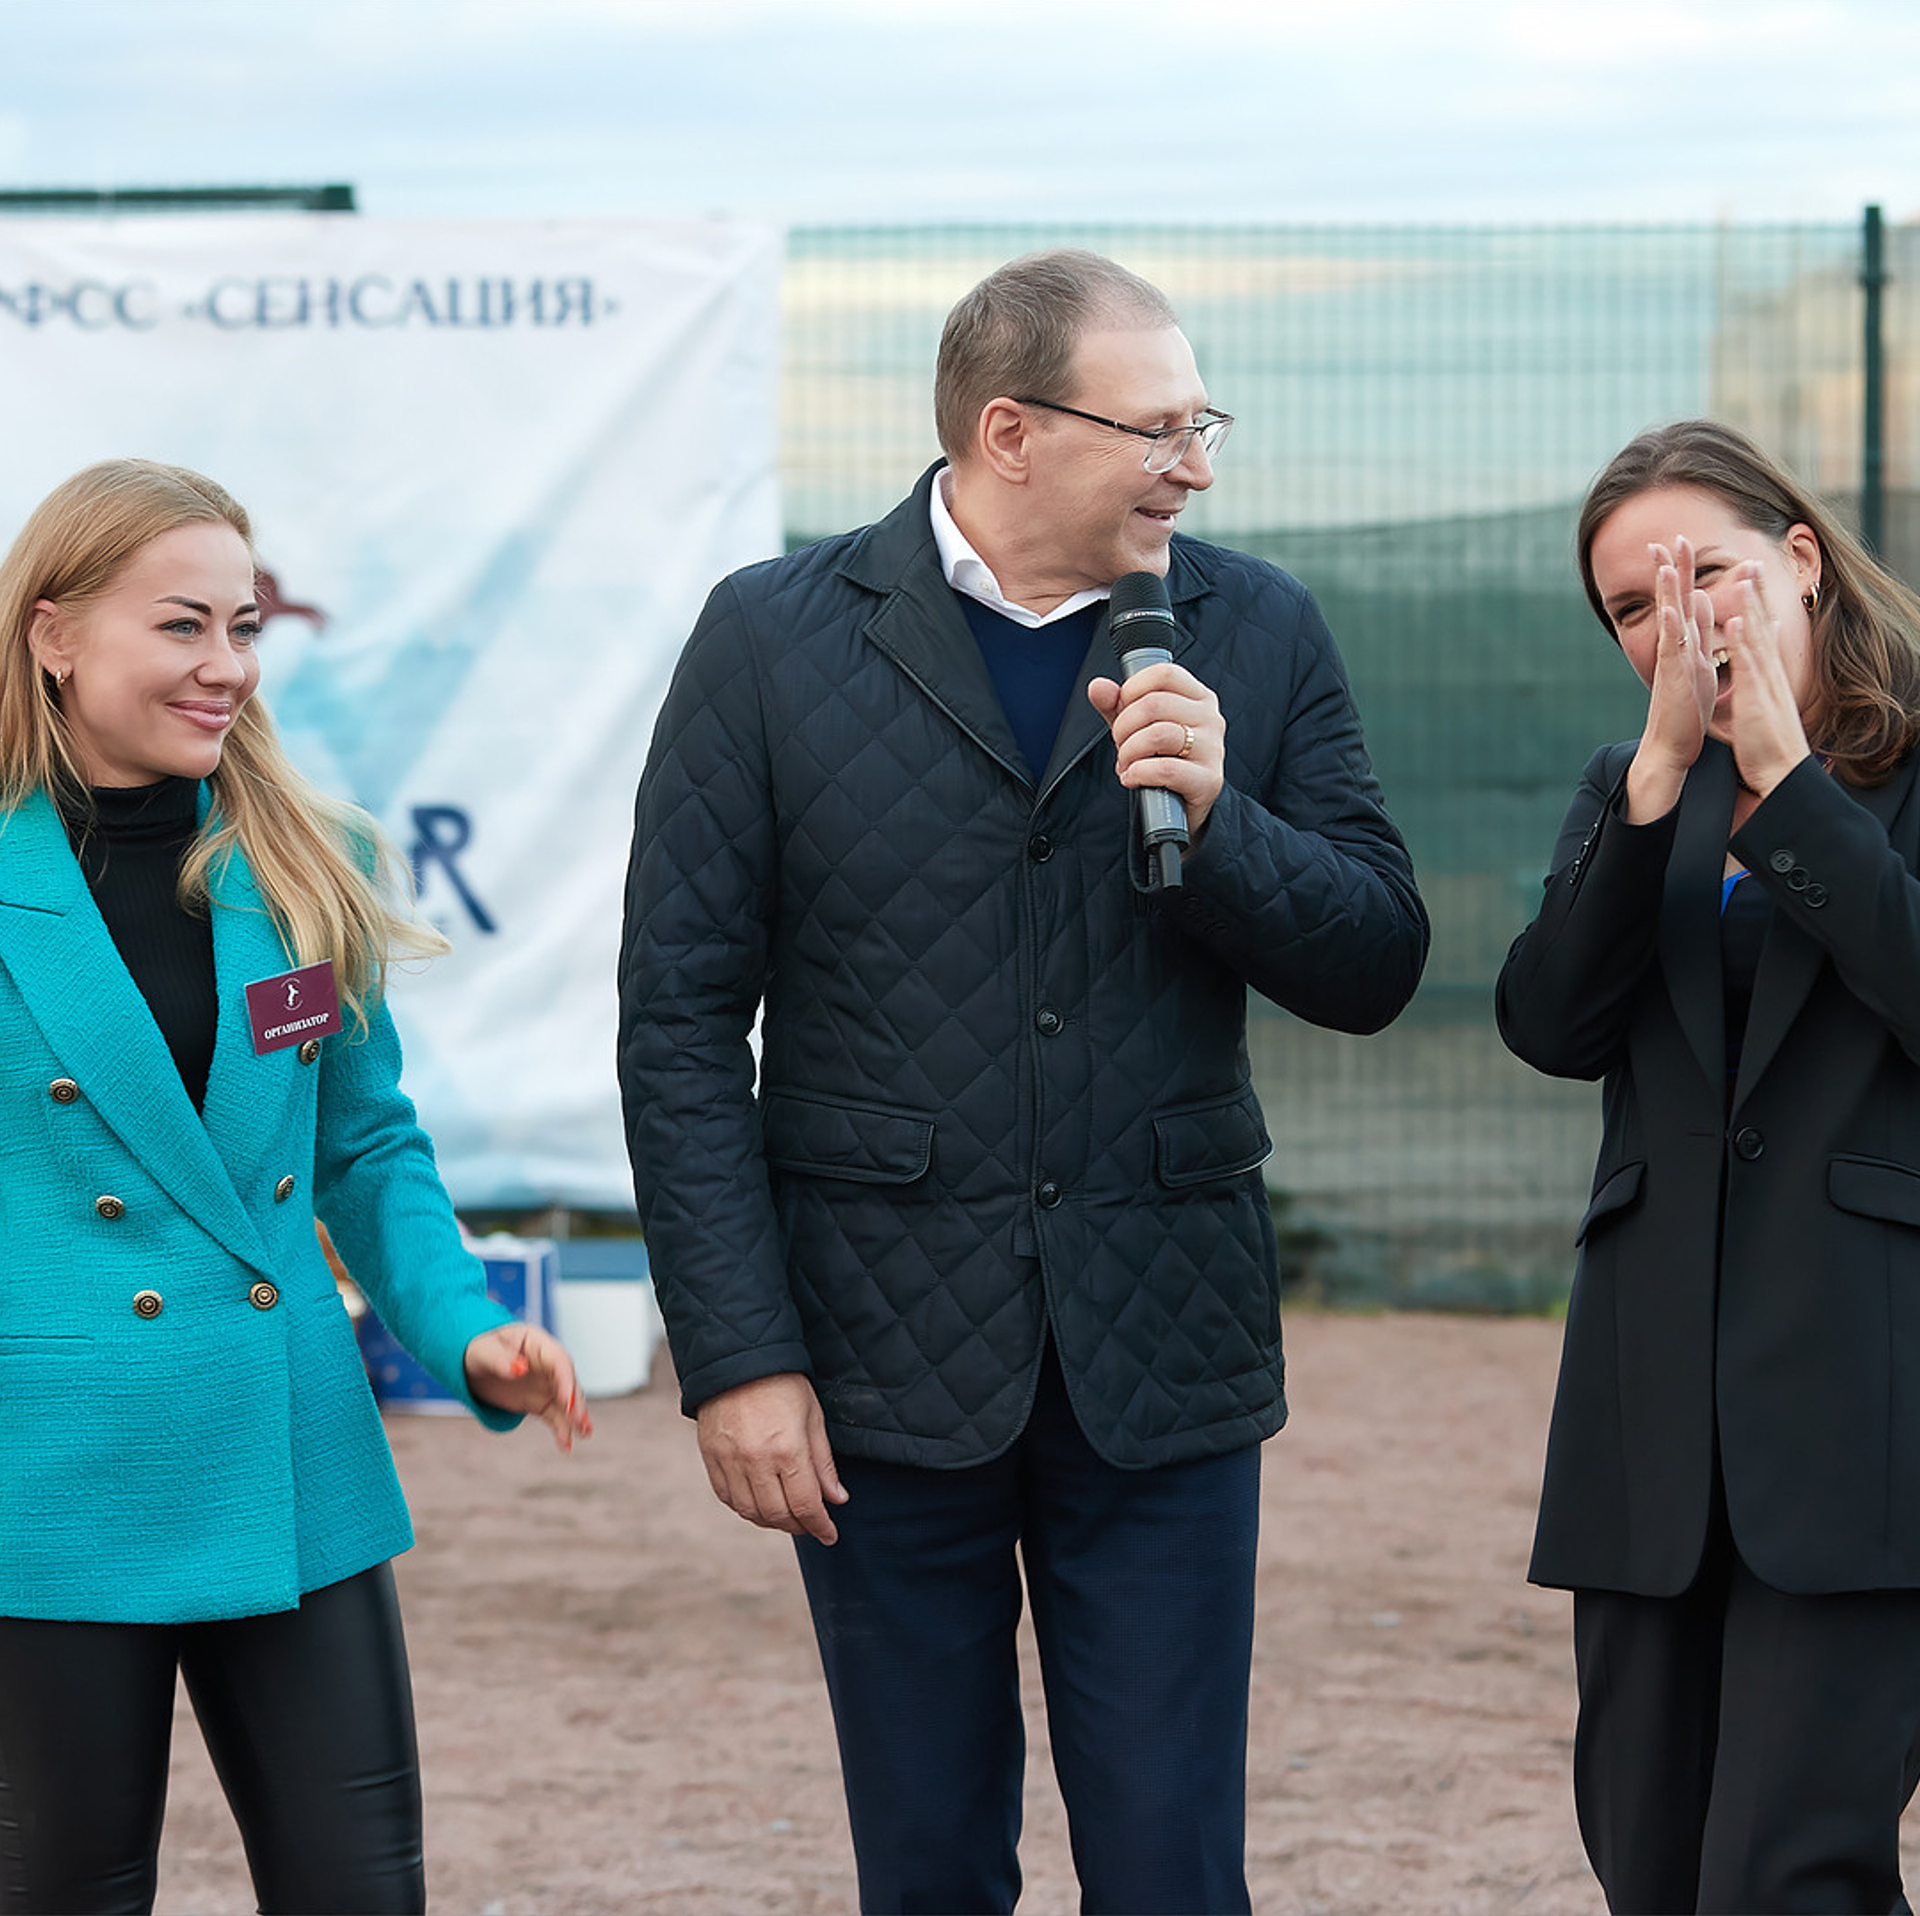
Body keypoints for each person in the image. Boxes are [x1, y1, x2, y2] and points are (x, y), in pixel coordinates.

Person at [618, 248, 1427, 1914]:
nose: (1196, 464)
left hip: (1166, 1352)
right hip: (875, 1366)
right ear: (1009, 430)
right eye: (1159, 429)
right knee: (924, 1864)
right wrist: (738, 1356)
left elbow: (1377, 960)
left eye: (1204, 424)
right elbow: (681, 1017)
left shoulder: (1257, 627)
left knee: (1171, 1863)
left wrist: (1223, 826)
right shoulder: (770, 639)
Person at [0, 458, 593, 1916]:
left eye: (246, 629)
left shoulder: (312, 864)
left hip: (291, 1459)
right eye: (183, 627)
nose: (225, 670)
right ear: (55, 636)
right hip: (48, 1480)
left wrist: (466, 1332)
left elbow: (365, 1147)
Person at [1497, 418, 1920, 1914]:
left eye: (1707, 574)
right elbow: (1553, 1022)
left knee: (1785, 1878)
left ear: (1800, 563)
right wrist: (1667, 771)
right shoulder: (1634, 790)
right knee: (1654, 1872)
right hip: (1647, 1422)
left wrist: (1793, 787)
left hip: (1865, 1421)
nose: (1673, 623)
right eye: (1630, 604)